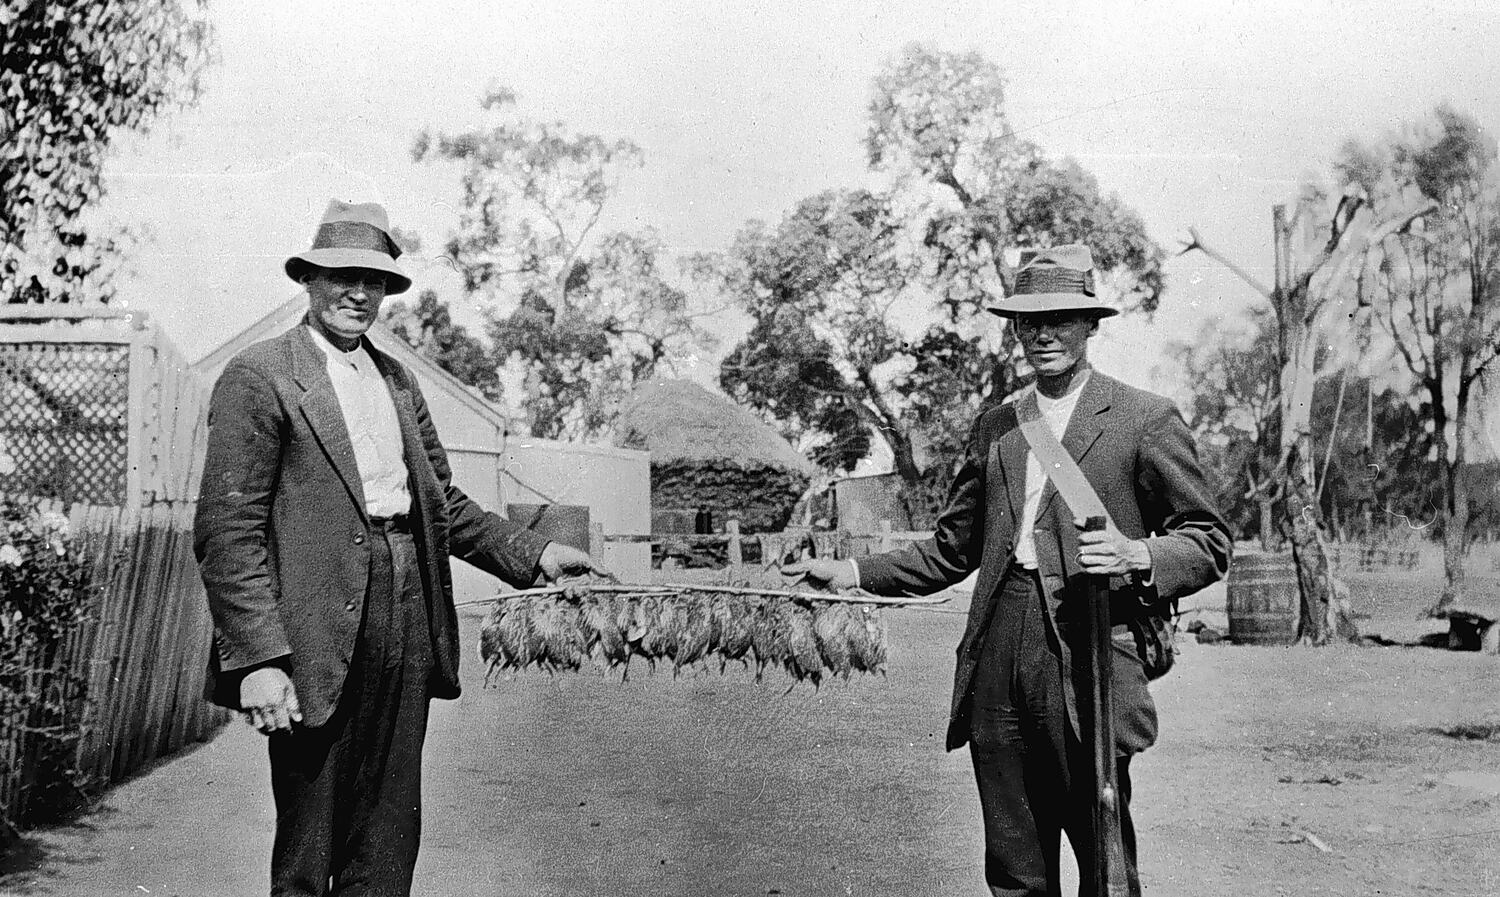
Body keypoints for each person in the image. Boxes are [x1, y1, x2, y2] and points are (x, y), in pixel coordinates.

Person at [784, 245, 1230, 897]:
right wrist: (850, 571)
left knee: (1104, 864)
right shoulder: (997, 425)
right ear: (1016, 328)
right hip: (998, 645)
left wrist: (1138, 555)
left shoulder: (1144, 418)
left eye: (1060, 319)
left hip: (1088, 650)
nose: (1043, 334)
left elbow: (1209, 539)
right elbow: (951, 550)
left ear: (1090, 324)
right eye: (1030, 321)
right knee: (1015, 868)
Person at [193, 199, 607, 896]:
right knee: (308, 847)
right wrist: (259, 661)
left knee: (387, 841)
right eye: (343, 277)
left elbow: (441, 506)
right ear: (309, 280)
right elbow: (227, 533)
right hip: (314, 632)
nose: (359, 293)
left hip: (406, 614)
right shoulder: (260, 375)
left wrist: (535, 554)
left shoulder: (396, 380)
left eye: (374, 281)